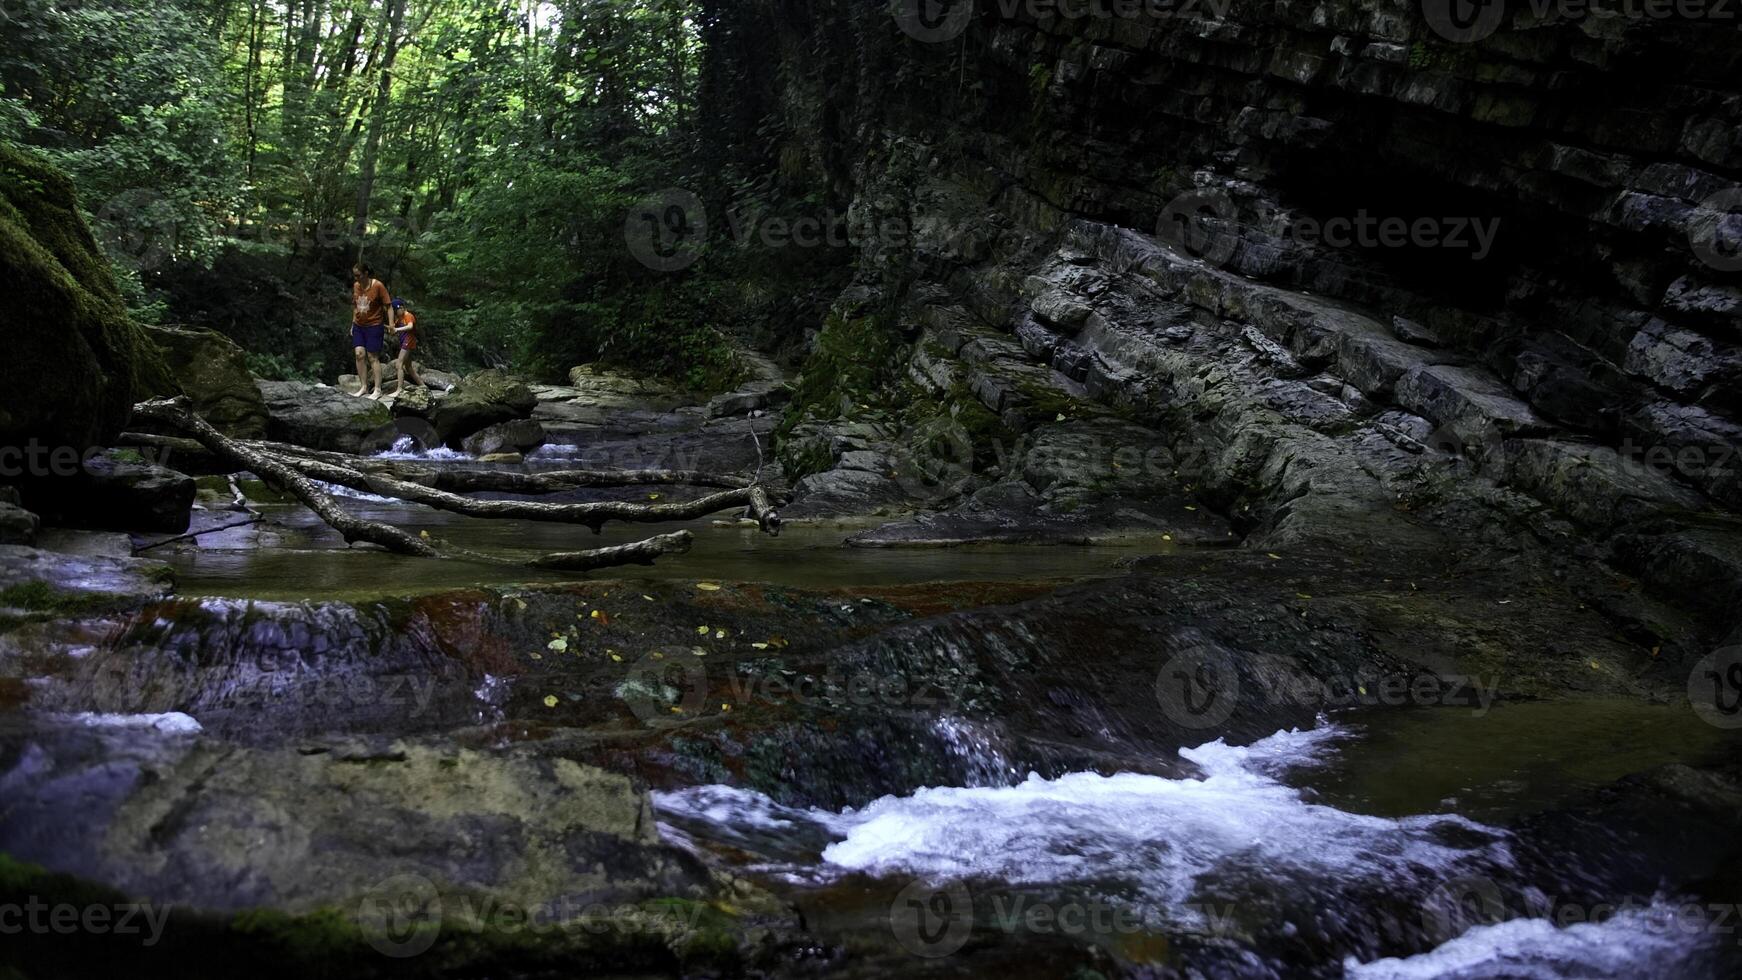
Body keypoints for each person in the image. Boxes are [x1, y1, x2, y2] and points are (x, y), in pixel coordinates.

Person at [349, 261, 394, 399]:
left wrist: (391, 324)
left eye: (358, 275)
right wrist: (352, 323)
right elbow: (355, 305)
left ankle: (378, 389)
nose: (356, 278)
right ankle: (363, 387)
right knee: (359, 354)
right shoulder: (356, 286)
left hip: (374, 325)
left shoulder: (378, 286)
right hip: (359, 325)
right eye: (355, 275)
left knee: (372, 357)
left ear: (366, 274)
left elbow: (389, 306)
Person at [388, 298, 427, 391]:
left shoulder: (408, 315)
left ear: (401, 308)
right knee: (409, 367)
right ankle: (423, 386)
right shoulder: (399, 319)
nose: (395, 313)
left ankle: (399, 389)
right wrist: (390, 328)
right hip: (404, 342)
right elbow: (392, 331)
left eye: (395, 311)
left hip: (408, 341)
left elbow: (410, 326)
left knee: (399, 364)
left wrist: (396, 329)